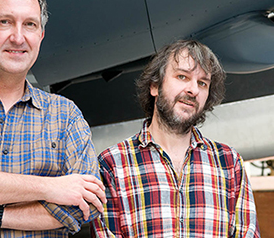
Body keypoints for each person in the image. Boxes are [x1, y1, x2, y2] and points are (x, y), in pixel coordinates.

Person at [0, 0, 106, 237]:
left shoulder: (65, 116)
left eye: (30, 24)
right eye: (4, 22)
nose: (18, 37)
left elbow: (86, 205)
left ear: (40, 36)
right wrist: (50, 188)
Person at [92, 40, 260, 237]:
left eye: (202, 83)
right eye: (182, 76)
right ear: (155, 86)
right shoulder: (112, 164)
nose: (193, 90)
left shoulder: (229, 163)